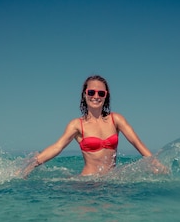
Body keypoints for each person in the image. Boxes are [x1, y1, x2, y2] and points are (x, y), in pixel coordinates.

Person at [20, 75, 166, 177]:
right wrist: (33, 164)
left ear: (106, 96)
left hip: (111, 180)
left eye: (101, 93)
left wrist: (154, 162)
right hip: (87, 181)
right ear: (85, 94)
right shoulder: (77, 124)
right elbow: (58, 147)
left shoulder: (116, 119)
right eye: (91, 92)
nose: (96, 96)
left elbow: (136, 142)